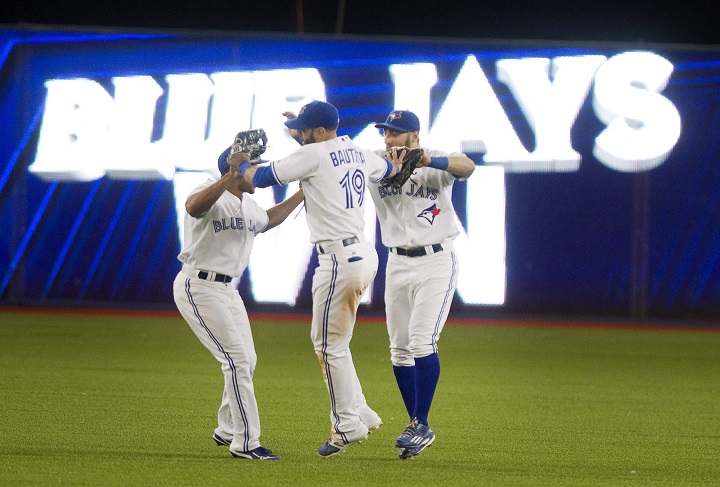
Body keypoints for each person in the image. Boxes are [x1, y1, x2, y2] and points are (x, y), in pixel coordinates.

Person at [232, 100, 402, 458]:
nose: (301, 133)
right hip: (363, 254)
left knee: (328, 346)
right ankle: (362, 411)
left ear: (321, 131)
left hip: (338, 259)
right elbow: (387, 168)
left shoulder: (314, 154)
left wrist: (239, 165)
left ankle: (347, 427)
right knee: (335, 343)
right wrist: (300, 129)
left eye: (307, 128)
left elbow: (261, 178)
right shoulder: (354, 149)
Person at [172, 147, 305, 460]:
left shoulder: (247, 203)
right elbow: (193, 207)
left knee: (248, 358)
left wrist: (302, 195)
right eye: (252, 168)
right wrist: (227, 178)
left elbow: (269, 219)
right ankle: (246, 443)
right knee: (237, 361)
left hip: (228, 290)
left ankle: (227, 428)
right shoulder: (208, 190)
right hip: (199, 286)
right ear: (234, 171)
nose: (257, 174)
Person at [369, 109, 475, 459]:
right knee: (399, 350)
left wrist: (430, 159)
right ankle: (416, 424)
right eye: (386, 133)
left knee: (421, 340)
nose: (388, 139)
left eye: (396, 134)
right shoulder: (375, 164)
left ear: (414, 136)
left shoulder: (434, 162)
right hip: (397, 261)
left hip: (436, 260)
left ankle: (421, 422)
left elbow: (467, 166)